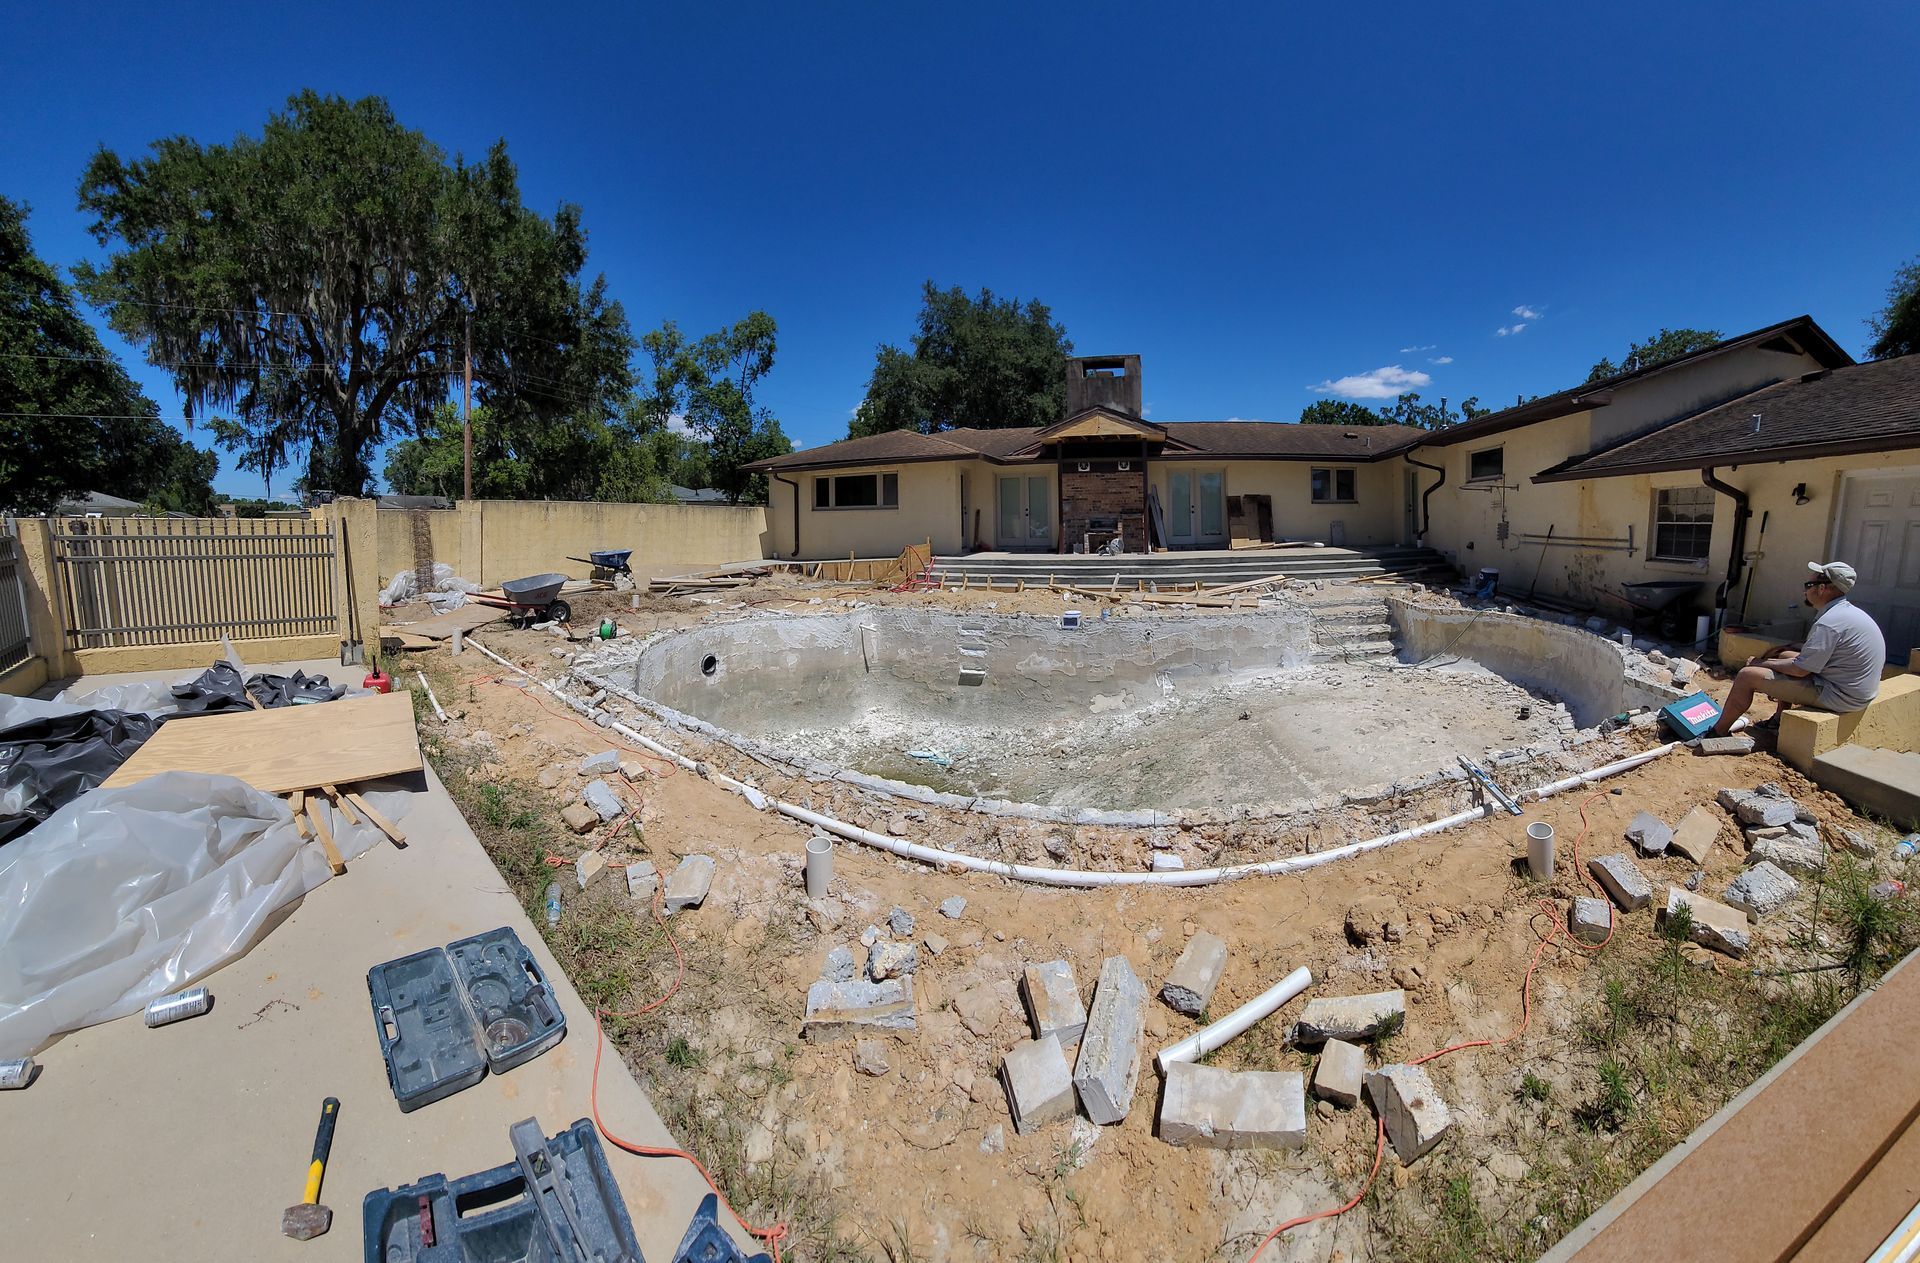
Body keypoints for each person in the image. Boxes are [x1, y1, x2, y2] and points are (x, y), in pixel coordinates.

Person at [1710, 561, 1887, 735]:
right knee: (1784, 654)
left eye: (1809, 585)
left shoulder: (1829, 623)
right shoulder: (1847, 613)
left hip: (1840, 697)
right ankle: (1778, 720)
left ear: (1822, 589)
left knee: (1746, 676)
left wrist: (1760, 663)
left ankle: (1718, 732)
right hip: (1854, 690)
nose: (1805, 591)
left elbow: (1800, 670)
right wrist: (1781, 655)